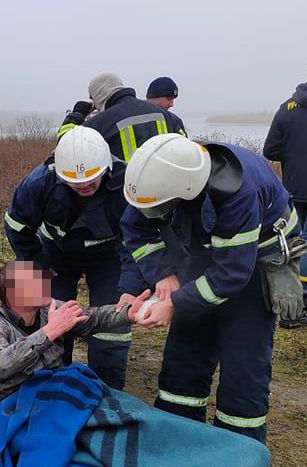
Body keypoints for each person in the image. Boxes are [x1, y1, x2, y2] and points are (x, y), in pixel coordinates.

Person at [120, 134, 305, 443]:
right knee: (185, 351)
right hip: (207, 251)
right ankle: (174, 438)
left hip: (257, 258)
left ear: (186, 191)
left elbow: (232, 273)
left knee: (243, 362)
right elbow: (135, 228)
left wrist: (175, 303)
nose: (152, 212)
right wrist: (163, 275)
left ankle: (238, 450)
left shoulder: (240, 193)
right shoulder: (157, 180)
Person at [4, 126, 142, 390]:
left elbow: (136, 240)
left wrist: (130, 286)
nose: (84, 186)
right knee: (52, 316)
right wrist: (40, 267)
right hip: (56, 255)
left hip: (109, 257)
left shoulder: (127, 186)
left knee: (111, 325)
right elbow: (17, 226)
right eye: (75, 181)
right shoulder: (39, 184)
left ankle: (106, 390)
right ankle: (52, 384)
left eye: (92, 179)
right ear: (59, 173)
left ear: (106, 168)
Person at [0, 260, 134, 406]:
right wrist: (50, 331)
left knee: (125, 410)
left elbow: (94, 318)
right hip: (19, 406)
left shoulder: (50, 309)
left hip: (58, 392)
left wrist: (130, 313)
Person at [57, 72, 184, 166]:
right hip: (168, 192)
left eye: (92, 99)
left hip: (124, 195)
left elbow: (66, 146)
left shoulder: (100, 122)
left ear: (99, 95)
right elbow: (187, 152)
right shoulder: (170, 117)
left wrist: (77, 114)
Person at [263, 80, 307, 327]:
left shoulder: (287, 108)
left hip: (293, 187)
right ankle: (299, 307)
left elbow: (271, 150)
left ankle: (291, 307)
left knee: (292, 243)